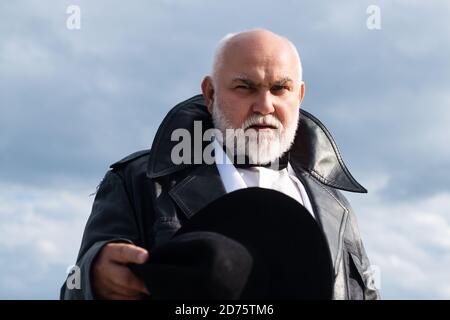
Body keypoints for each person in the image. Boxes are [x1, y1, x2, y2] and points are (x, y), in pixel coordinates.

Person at [61, 28, 379, 300]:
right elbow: (74, 288)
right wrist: (94, 278)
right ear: (210, 94)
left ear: (300, 95)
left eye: (280, 88)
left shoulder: (337, 209)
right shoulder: (140, 184)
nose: (265, 105)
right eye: (245, 87)